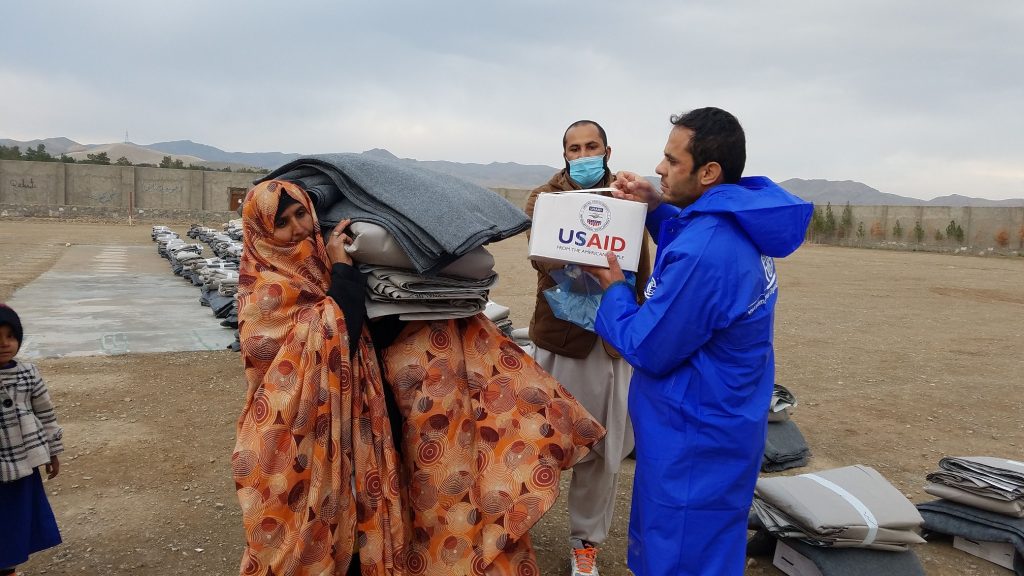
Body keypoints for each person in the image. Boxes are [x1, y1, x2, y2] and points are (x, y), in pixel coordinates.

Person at [586, 107, 813, 576]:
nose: (660, 169)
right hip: (722, 420)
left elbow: (649, 346)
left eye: (672, 161)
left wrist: (613, 289)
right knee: (707, 545)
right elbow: (688, 239)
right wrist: (657, 204)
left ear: (708, 172)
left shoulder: (708, 250)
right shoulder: (725, 222)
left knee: (681, 552)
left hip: (695, 431)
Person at [233, 180, 406, 576]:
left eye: (301, 214)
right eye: (282, 222)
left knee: (355, 516)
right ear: (261, 232)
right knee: (300, 527)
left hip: (354, 417)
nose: (298, 227)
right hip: (297, 431)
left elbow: (359, 334)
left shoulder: (323, 266)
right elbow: (335, 336)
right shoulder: (266, 290)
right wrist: (344, 275)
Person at [524, 120, 651, 576]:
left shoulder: (627, 202)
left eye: (591, 147)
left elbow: (639, 266)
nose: (583, 155)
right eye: (574, 149)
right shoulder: (545, 200)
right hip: (561, 342)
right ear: (564, 155)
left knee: (603, 449)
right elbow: (542, 256)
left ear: (607, 149)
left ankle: (585, 545)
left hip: (609, 342)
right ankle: (518, 529)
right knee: (541, 443)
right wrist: (582, 257)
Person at [0, 304, 63, 576]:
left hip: (22, 465)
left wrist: (53, 451)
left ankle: (8, 569)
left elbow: (46, 413)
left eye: (10, 336)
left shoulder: (28, 373)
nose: (4, 344)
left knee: (15, 521)